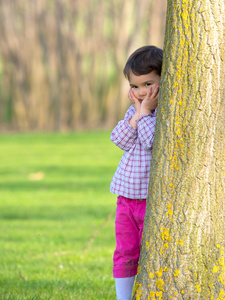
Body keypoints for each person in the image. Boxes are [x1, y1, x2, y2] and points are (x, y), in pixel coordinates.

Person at [110, 45, 163, 300]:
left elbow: (150, 139)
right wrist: (138, 114)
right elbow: (118, 139)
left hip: (150, 200)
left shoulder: (162, 113)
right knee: (125, 250)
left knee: (151, 251)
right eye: (135, 86)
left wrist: (144, 113)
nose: (141, 92)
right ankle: (123, 297)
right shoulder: (135, 111)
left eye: (148, 84)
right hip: (126, 198)